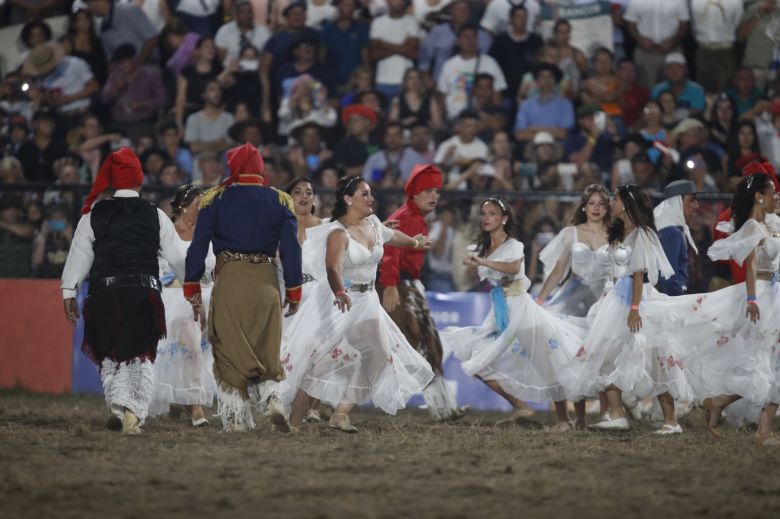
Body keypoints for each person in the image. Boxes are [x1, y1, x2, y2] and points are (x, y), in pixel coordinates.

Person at [280, 175, 435, 433]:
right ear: (348, 199)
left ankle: (341, 413)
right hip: (343, 305)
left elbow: (392, 236)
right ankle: (294, 423)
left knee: (379, 356)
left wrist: (415, 241)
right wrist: (340, 291)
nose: (371, 198)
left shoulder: (373, 223)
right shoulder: (338, 233)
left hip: (368, 303)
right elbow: (332, 268)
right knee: (326, 363)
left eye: (370, 193)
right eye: (365, 194)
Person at [60, 148, 185, 434]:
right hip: (143, 294)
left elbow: (79, 256)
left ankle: (118, 407)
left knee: (110, 355)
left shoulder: (93, 214)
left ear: (114, 182)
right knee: (139, 354)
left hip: (103, 295)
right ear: (140, 182)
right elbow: (179, 260)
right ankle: (132, 412)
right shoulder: (156, 215)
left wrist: (69, 292)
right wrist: (195, 279)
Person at [183, 142, 302, 433]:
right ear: (261, 169)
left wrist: (191, 284)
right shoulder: (280, 200)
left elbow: (198, 247)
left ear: (233, 168)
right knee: (267, 346)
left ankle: (236, 419)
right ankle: (272, 397)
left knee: (228, 349)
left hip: (231, 280)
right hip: (266, 281)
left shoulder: (215, 199)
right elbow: (291, 249)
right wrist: (295, 289)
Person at [442, 196, 588, 430]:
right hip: (499, 310)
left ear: (504, 219)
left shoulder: (513, 245)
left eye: (491, 213)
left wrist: (482, 261)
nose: (486, 218)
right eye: (484, 214)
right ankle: (521, 406)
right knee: (477, 359)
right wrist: (473, 263)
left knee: (546, 361)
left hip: (521, 308)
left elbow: (514, 267)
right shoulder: (482, 247)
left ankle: (564, 419)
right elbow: (483, 276)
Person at [562, 184, 689, 434]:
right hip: (616, 299)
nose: (612, 204)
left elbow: (639, 274)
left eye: (616, 200)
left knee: (655, 357)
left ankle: (671, 420)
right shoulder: (620, 232)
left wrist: (634, 308)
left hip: (634, 300)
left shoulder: (642, 234)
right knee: (607, 354)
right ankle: (617, 413)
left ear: (627, 204)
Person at [667, 173, 780, 445]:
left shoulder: (774, 223)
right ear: (759, 196)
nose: (777, 196)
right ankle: (762, 430)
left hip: (776, 295)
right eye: (773, 191)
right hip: (765, 298)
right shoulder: (753, 227)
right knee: (767, 361)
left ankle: (721, 402)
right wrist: (752, 298)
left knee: (770, 362)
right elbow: (751, 265)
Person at [378, 164, 469, 422]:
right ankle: (442, 408)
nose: (434, 196)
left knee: (427, 347)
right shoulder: (406, 216)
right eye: (428, 191)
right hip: (400, 288)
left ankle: (444, 408)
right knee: (421, 346)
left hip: (408, 286)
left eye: (437, 191)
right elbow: (390, 251)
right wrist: (391, 286)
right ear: (415, 193)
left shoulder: (415, 216)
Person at [150, 185, 217, 427]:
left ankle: (182, 402)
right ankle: (195, 408)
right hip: (173, 298)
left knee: (195, 351)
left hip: (205, 298)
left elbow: (214, 267)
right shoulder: (165, 235)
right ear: (182, 206)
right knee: (189, 349)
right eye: (199, 205)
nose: (202, 210)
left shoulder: (207, 236)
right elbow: (157, 268)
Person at [654, 180, 699, 296]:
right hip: (670, 303)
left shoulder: (667, 228)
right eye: (692, 200)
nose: (696, 205)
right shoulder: (671, 232)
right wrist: (679, 301)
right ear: (678, 202)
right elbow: (667, 279)